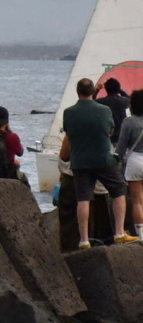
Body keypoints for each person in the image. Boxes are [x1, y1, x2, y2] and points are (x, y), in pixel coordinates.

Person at [61, 77, 138, 248]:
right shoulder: (104, 110)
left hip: (79, 160)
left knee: (83, 198)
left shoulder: (68, 112)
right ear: (92, 91)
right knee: (118, 191)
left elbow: (69, 132)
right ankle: (119, 233)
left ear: (77, 92)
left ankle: (84, 240)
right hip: (103, 159)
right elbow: (110, 130)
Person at [119, 90, 143, 234]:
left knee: (137, 201)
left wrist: (117, 160)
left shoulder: (129, 122)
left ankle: (141, 236)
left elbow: (121, 147)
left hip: (135, 162)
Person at [100, 78, 131, 145]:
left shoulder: (101, 102)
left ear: (106, 89)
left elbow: (91, 102)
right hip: (122, 135)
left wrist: (97, 89)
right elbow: (131, 99)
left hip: (107, 137)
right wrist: (119, 90)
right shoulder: (124, 101)